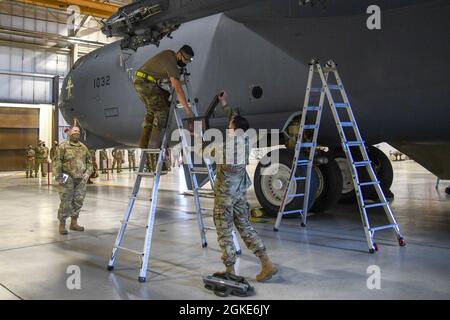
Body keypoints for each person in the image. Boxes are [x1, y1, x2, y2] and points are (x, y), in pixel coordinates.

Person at [213, 91, 277, 282]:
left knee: (224, 230)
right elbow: (234, 118)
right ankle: (266, 262)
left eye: (229, 126)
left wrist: (193, 136)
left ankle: (230, 270)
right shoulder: (247, 139)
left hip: (225, 196)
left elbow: (203, 150)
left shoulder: (227, 148)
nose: (228, 127)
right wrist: (224, 103)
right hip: (239, 193)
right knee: (245, 226)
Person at [133, 45, 195, 171]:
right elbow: (177, 88)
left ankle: (144, 144)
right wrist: (188, 110)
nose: (185, 63)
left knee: (152, 111)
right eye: (185, 60)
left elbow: (166, 81)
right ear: (179, 55)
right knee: (162, 113)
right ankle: (154, 153)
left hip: (141, 81)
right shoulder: (171, 60)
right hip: (145, 83)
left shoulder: (168, 56)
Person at [53, 127, 93, 235]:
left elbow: (89, 162)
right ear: (69, 132)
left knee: (78, 201)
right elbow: (57, 163)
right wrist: (60, 178)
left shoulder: (83, 147)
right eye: (75, 131)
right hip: (67, 178)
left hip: (80, 179)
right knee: (66, 201)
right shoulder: (63, 146)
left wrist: (87, 174)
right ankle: (62, 224)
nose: (77, 133)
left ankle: (74, 223)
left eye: (78, 131)